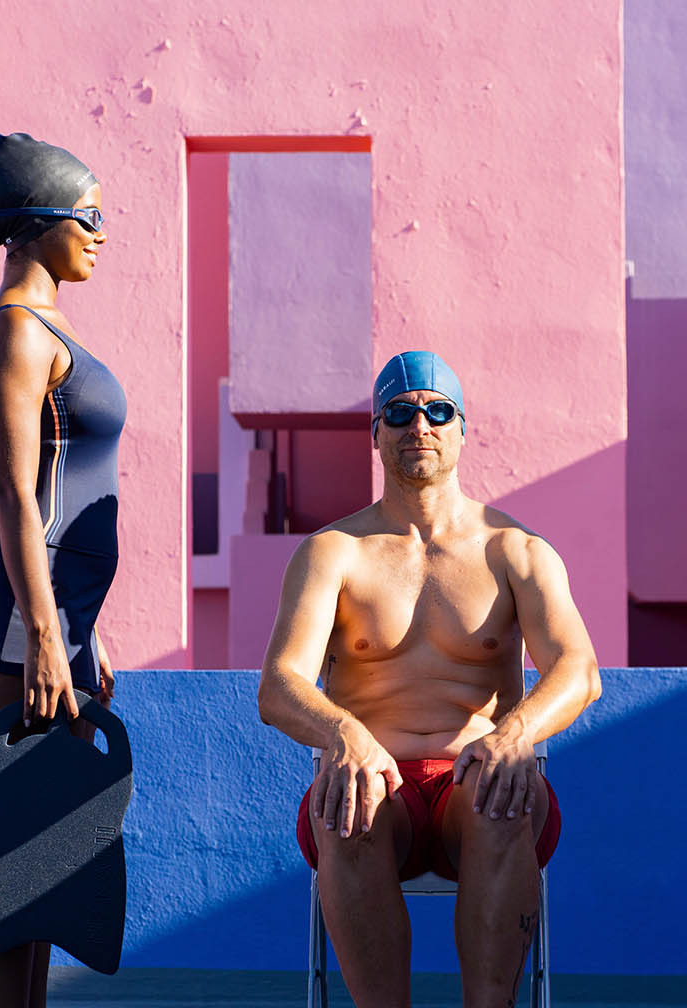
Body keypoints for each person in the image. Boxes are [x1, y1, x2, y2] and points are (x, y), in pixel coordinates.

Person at [258, 350, 600, 1008]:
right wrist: (345, 735)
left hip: (477, 782)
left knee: (506, 795)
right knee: (345, 808)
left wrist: (515, 733)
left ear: (463, 429)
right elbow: (279, 686)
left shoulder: (514, 549)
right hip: (373, 785)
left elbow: (578, 671)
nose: (420, 424)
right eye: (401, 412)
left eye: (437, 411)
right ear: (377, 432)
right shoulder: (334, 552)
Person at [0, 132, 125, 1008]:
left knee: (50, 849)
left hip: (48, 622)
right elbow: (15, 493)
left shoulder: (50, 326)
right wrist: (48, 636)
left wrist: (84, 634)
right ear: (40, 219)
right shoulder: (15, 331)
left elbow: (65, 492)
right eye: (88, 214)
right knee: (21, 846)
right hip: (12, 623)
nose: (100, 231)